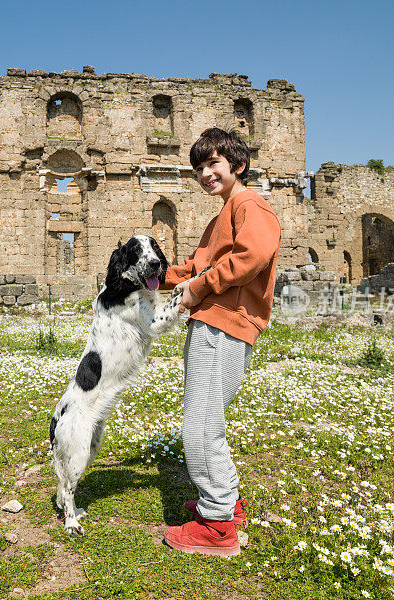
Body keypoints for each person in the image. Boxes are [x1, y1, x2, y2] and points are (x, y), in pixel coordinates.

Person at [160, 128, 281, 556]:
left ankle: (216, 527)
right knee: (209, 418)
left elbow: (252, 256)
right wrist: (156, 278)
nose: (206, 174)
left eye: (213, 164)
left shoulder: (249, 205)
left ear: (238, 165)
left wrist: (197, 288)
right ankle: (227, 502)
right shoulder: (223, 215)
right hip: (215, 321)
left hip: (223, 323)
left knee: (199, 427)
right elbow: (196, 264)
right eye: (199, 169)